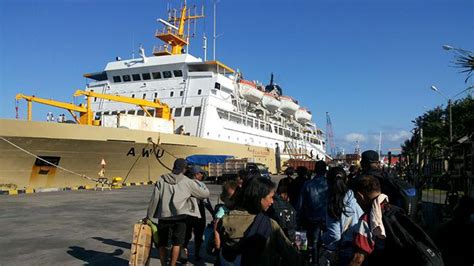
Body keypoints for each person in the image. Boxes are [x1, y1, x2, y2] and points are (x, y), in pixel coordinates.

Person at [217, 177, 306, 266]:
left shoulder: (225, 219)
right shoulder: (270, 225)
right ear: (259, 198)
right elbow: (290, 254)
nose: (272, 201)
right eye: (271, 197)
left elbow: (212, 248)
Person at [146, 158, 210, 266]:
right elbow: (205, 194)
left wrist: (149, 216)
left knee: (162, 243)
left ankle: (163, 264)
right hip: (180, 217)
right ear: (184, 169)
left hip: (163, 216)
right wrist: (197, 185)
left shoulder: (161, 179)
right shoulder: (188, 182)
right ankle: (173, 264)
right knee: (177, 243)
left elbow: (155, 199)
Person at [322, 167, 363, 266]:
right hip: (358, 250)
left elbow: (335, 235)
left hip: (342, 252)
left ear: (328, 182)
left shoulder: (333, 203)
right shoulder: (355, 199)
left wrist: (322, 238)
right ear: (346, 180)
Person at [350, 175, 388, 266]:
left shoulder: (367, 219)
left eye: (356, 198)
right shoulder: (389, 207)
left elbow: (358, 259)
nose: (357, 201)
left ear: (360, 196)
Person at [296, 160, 328, 265]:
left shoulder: (307, 184)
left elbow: (300, 204)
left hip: (308, 217)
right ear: (325, 170)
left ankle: (301, 259)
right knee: (316, 242)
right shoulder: (329, 184)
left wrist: (297, 219)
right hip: (324, 220)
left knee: (302, 240)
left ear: (315, 170)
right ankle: (315, 262)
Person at [182, 165, 213, 261]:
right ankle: (196, 254)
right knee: (198, 235)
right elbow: (206, 201)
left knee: (187, 235)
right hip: (198, 212)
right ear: (196, 174)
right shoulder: (200, 185)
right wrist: (212, 212)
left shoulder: (185, 183)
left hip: (188, 212)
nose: (202, 175)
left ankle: (184, 254)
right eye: (201, 173)